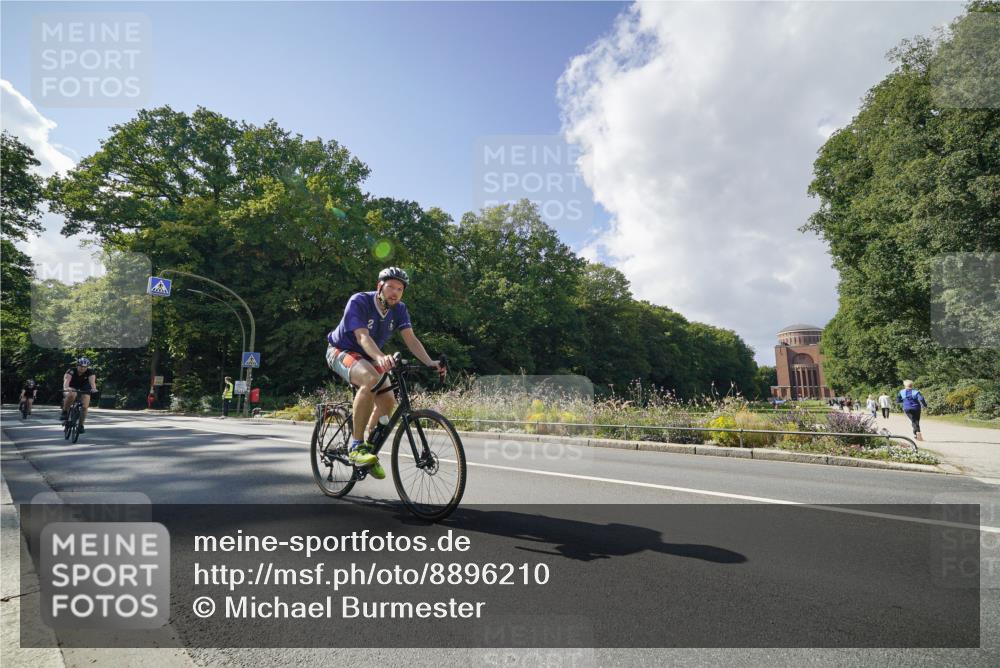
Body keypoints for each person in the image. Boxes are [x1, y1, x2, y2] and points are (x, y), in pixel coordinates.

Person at [325, 267, 446, 480]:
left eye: (400, 289)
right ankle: (356, 446)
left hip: (370, 356)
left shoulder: (400, 310)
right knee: (371, 379)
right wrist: (381, 357)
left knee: (388, 401)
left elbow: (411, 340)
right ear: (379, 286)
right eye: (391, 286)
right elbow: (362, 337)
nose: (395, 292)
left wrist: (430, 362)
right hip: (341, 350)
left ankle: (369, 450)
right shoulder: (359, 301)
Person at [61, 357, 97, 432]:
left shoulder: (90, 372)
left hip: (84, 388)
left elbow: (92, 383)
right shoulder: (71, 371)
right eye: (81, 366)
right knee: (72, 394)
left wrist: (93, 388)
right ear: (77, 365)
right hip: (71, 387)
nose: (82, 368)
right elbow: (66, 381)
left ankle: (81, 425)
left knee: (85, 407)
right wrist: (66, 388)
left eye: (85, 367)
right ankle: (65, 411)